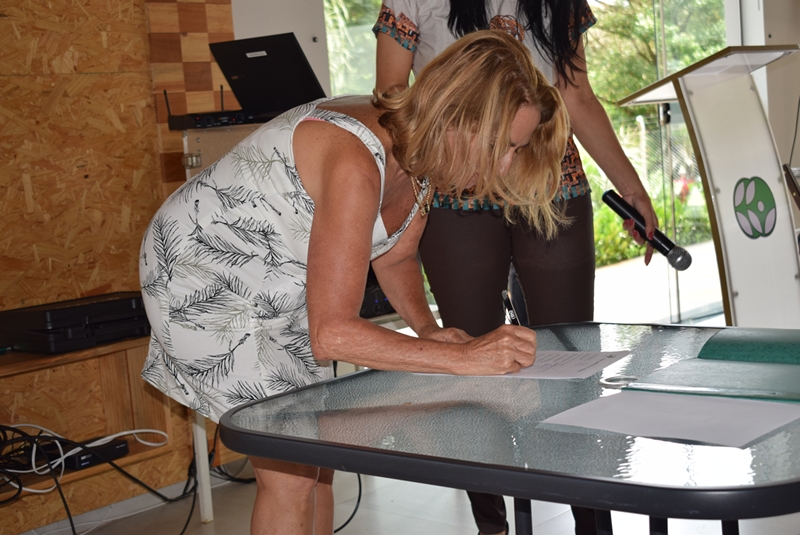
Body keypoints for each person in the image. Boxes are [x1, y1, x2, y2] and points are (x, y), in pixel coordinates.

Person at [139, 30, 569, 535]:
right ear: (458, 117)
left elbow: (397, 257)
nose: (506, 164)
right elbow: (333, 334)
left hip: (278, 286)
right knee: (292, 473)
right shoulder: (355, 161)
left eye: (516, 149)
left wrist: (429, 331)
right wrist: (463, 358)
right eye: (503, 146)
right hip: (201, 276)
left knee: (318, 460)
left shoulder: (423, 152)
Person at [373, 1, 659, 534]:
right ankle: (493, 526)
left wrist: (632, 188)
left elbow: (576, 94)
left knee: (571, 361)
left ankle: (592, 523)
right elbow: (392, 95)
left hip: (547, 172)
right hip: (456, 183)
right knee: (470, 361)